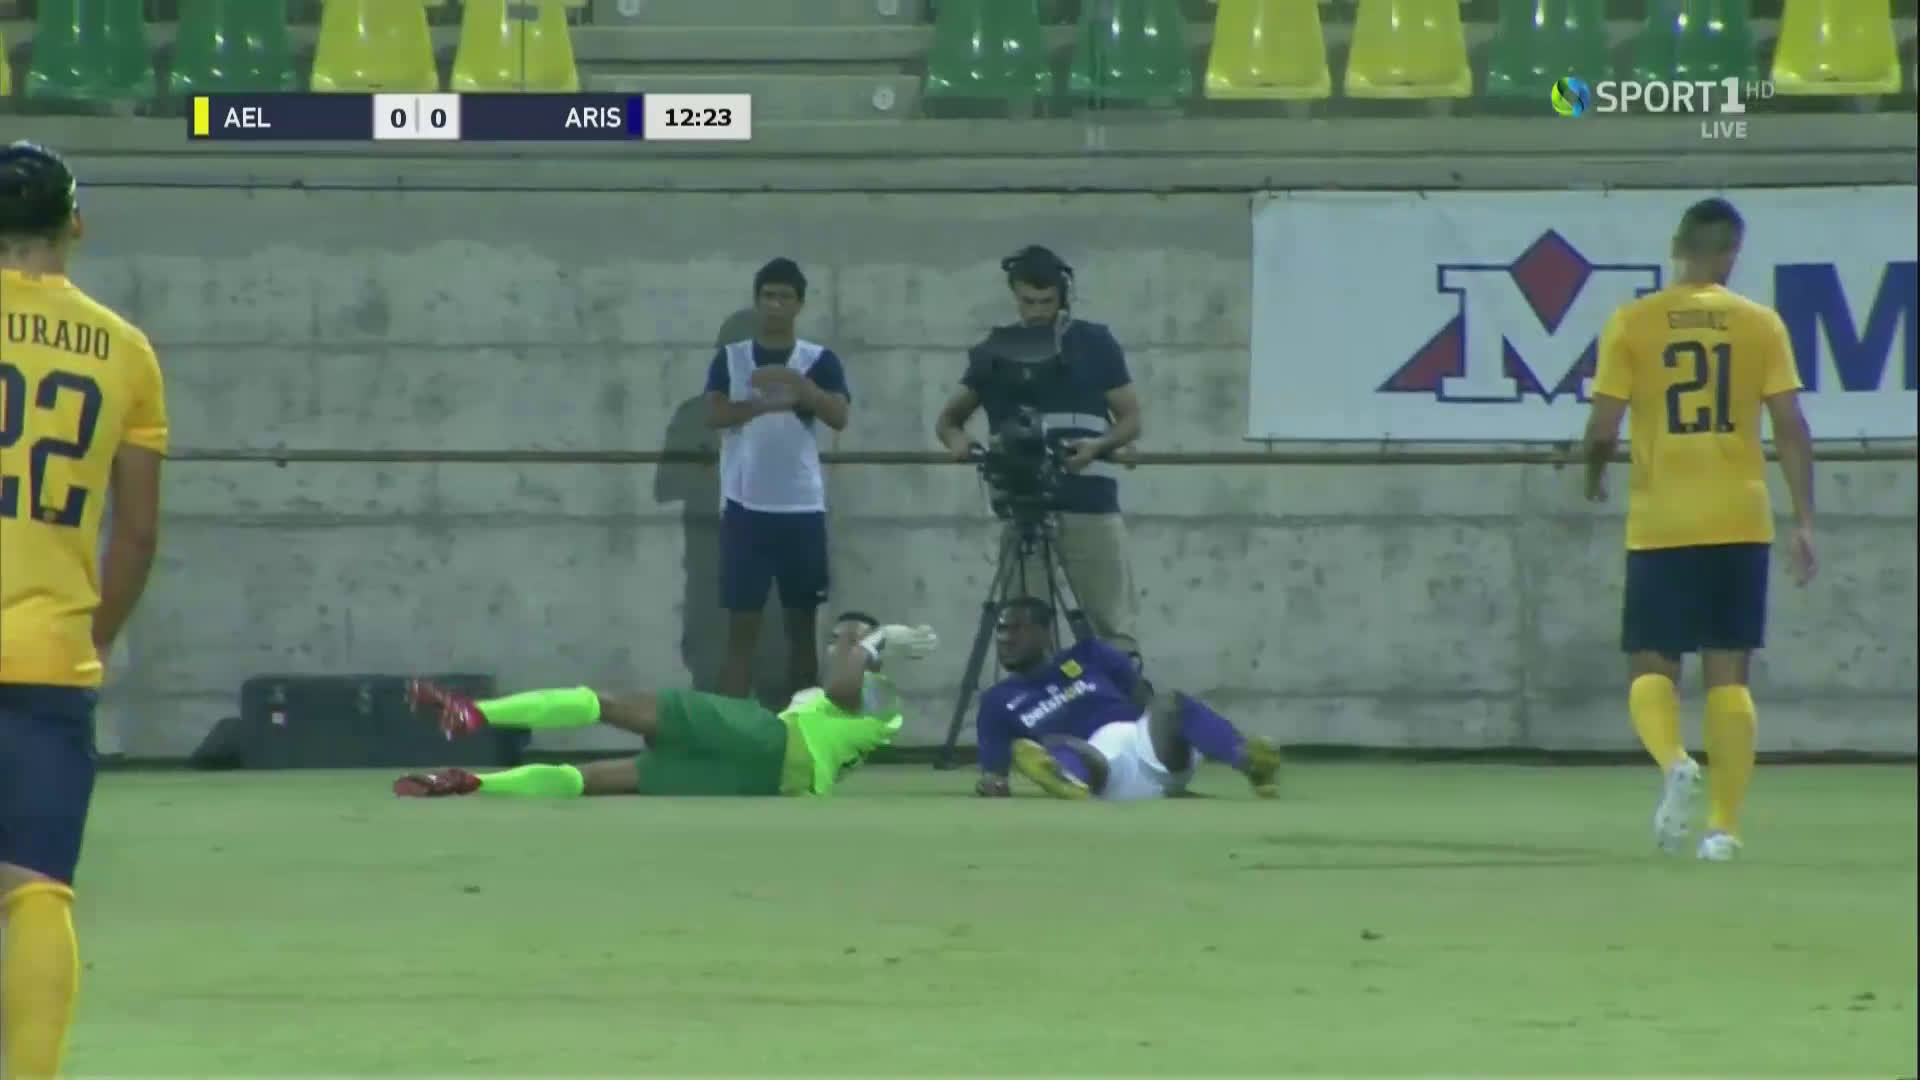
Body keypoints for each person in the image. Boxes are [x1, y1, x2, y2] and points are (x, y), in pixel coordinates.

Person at [0, 142, 169, 1078]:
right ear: (75, 223)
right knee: (36, 892)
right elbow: (135, 534)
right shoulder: (125, 349)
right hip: (48, 661)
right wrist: (87, 637)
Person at [1581, 196, 1817, 862]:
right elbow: (1791, 425)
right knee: (1729, 673)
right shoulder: (1760, 324)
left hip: (1662, 520)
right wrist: (1804, 520)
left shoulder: (1633, 322)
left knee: (1651, 663)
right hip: (1739, 517)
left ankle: (1674, 760)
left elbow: (1602, 426)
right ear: (1730, 254)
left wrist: (1593, 473)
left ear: (1677, 248)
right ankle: (1723, 829)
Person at [393, 614, 935, 799]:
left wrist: (870, 642)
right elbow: (837, 688)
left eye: (851, 637)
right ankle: (473, 783)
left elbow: (843, 689)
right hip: (766, 780)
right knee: (595, 780)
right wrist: (863, 645)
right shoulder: (834, 699)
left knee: (608, 705)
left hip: (770, 741)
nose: (841, 645)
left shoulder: (884, 698)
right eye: (837, 637)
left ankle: (477, 713)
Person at [933, 246, 1142, 640]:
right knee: (1025, 632)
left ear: (1063, 296)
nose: (1037, 312)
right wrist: (960, 443)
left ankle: (1115, 682)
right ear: (1015, 296)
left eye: (1046, 302)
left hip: (1089, 505)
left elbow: (1131, 419)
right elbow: (948, 421)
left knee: (1112, 627)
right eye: (1028, 301)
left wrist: (1097, 446)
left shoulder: (1095, 343)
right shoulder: (994, 350)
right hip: (1022, 509)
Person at [705, 258, 851, 701]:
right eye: (768, 295)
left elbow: (839, 416)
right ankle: (730, 727)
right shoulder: (731, 358)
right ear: (757, 301)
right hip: (744, 507)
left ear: (799, 304)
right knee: (741, 631)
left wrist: (802, 389)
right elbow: (714, 414)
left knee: (802, 627)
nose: (775, 304)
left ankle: (801, 727)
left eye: (785, 296)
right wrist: (762, 403)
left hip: (801, 509)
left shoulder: (818, 359)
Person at [972, 598, 1282, 800]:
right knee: (1056, 744)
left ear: (1044, 633)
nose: (1005, 640)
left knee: (1170, 703)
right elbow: (994, 776)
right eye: (1001, 631)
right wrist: (992, 785)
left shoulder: (1090, 653)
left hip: (1148, 744)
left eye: (1016, 630)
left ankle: (1249, 760)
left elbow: (1144, 699)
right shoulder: (997, 701)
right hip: (1104, 770)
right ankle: (1066, 779)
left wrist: (1167, 728)